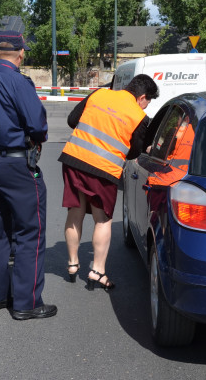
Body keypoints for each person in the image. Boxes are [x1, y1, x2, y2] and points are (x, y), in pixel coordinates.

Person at [0, 30, 56, 320]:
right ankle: (27, 303)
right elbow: (37, 124)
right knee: (31, 231)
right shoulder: (18, 81)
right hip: (16, 164)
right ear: (20, 54)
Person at [59, 74, 159, 291]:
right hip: (103, 170)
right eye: (148, 102)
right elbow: (135, 151)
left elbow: (72, 120)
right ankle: (97, 271)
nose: (146, 107)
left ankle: (73, 264)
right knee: (102, 220)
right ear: (142, 97)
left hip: (73, 159)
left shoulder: (99, 94)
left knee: (74, 211)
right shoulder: (139, 117)